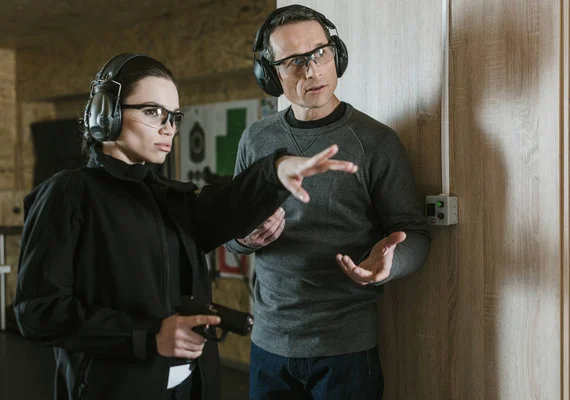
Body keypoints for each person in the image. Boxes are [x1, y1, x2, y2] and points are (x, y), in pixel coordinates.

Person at [13, 53, 358, 400]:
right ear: (108, 113)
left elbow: (223, 208)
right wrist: (148, 335)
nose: (168, 128)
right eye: (152, 112)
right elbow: (38, 313)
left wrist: (275, 173)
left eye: (174, 117)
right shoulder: (68, 193)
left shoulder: (167, 197)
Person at [224, 5, 432, 399]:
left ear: (337, 55)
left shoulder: (376, 142)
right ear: (271, 76)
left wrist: (390, 263)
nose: (312, 70)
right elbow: (230, 230)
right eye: (293, 62)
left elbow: (416, 235)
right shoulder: (255, 141)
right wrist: (246, 239)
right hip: (269, 344)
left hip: (346, 350)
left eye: (320, 53)